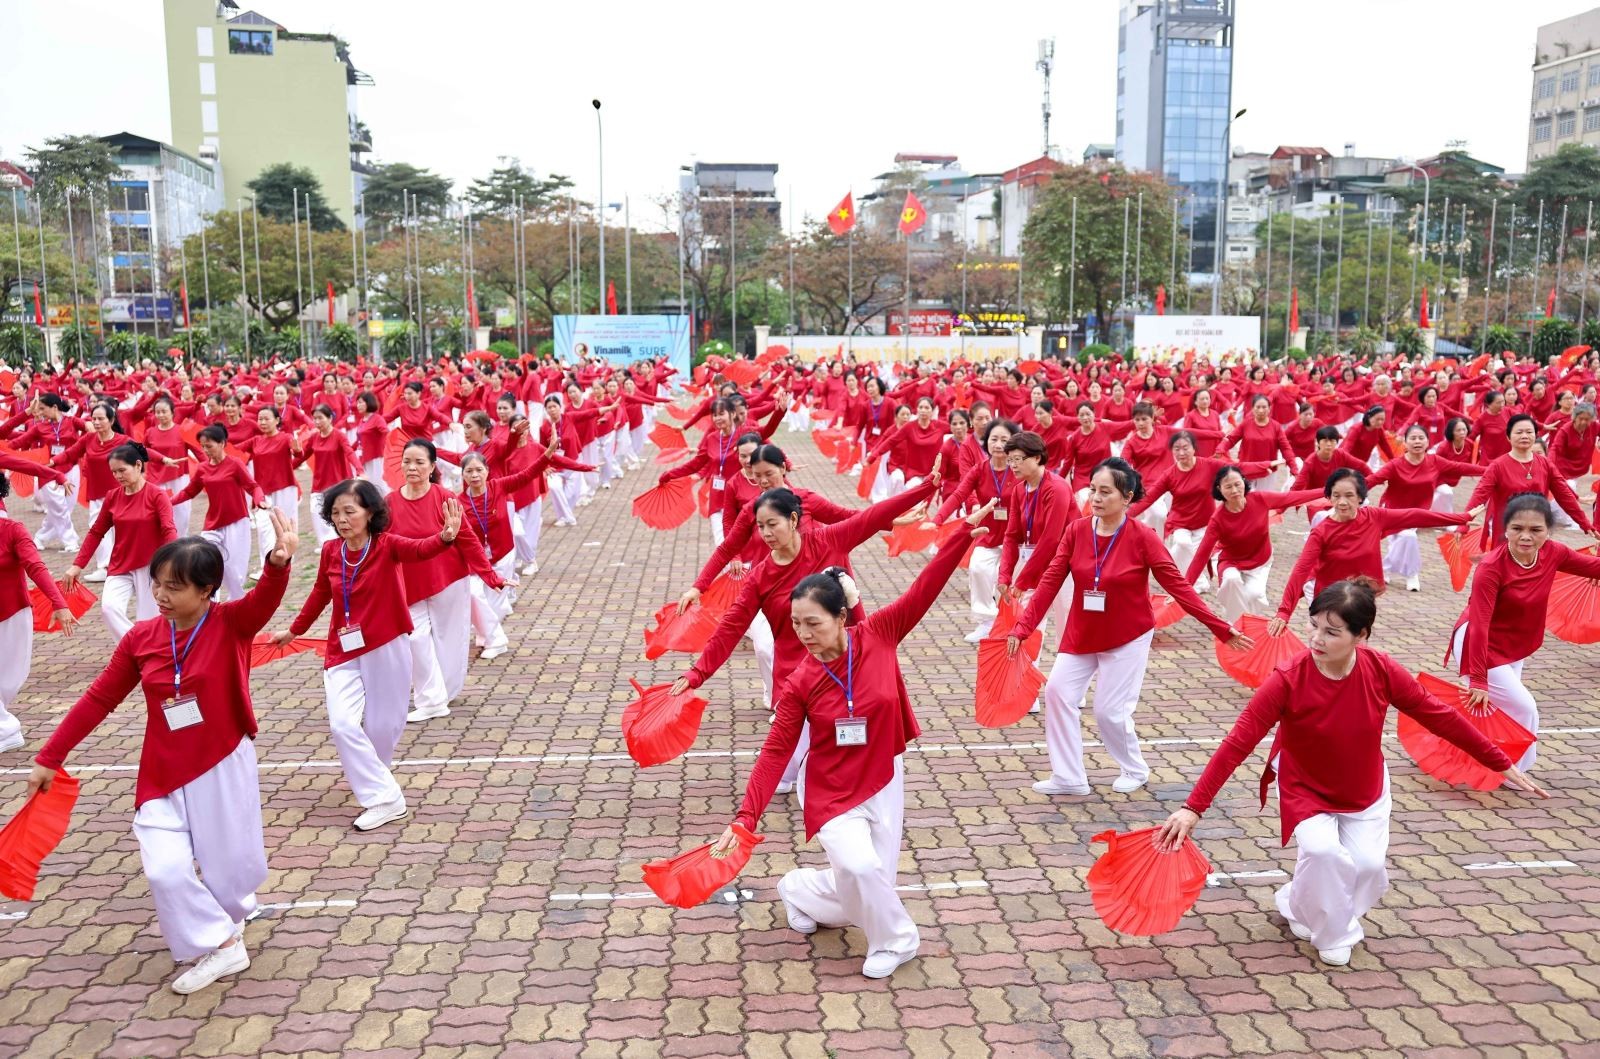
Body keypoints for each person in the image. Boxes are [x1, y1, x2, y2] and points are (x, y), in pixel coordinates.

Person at [1156, 579, 1545, 967]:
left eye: (1331, 631)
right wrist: (1193, 807)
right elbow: (1237, 743)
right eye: (1313, 626)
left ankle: (1296, 903)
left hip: (1364, 786)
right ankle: (1335, 935)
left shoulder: (1381, 669)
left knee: (1368, 867)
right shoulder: (1288, 678)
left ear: (1361, 634)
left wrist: (1498, 760)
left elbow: (1439, 716)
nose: (1316, 638)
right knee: (1324, 853)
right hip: (1304, 786)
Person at [709, 514, 990, 980]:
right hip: (831, 788)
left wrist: (958, 537)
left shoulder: (880, 634)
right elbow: (776, 752)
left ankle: (798, 888)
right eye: (796, 623)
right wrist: (744, 818)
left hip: (883, 776)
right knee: (860, 868)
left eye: (813, 623)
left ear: (842, 616)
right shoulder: (801, 680)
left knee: (874, 878)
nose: (803, 634)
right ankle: (898, 940)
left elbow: (923, 589)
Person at [28, 513, 299, 993]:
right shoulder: (141, 638)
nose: (160, 596)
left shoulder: (231, 622)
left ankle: (229, 916)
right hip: (162, 769)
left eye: (174, 587)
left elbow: (263, 602)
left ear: (207, 589)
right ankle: (222, 944)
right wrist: (51, 755)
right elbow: (99, 698)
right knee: (165, 869)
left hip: (221, 762)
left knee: (229, 870)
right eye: (156, 584)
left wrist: (278, 563)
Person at [672, 477, 943, 794]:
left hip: (845, 666)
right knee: (784, 770)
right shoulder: (761, 576)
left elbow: (871, 516)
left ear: (794, 520)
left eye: (773, 524)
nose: (767, 534)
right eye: (761, 527)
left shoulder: (827, 541)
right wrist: (697, 673)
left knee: (852, 749)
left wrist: (928, 485)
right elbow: (731, 627)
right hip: (797, 678)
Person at [1008, 459, 1249, 796]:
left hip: (1127, 635)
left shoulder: (1143, 537)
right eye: (1093, 489)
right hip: (1083, 631)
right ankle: (1069, 777)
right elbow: (1049, 583)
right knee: (1057, 693)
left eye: (1105, 491)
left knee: (1109, 712)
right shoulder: (1076, 531)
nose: (1095, 497)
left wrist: (1221, 628)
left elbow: (1178, 587)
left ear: (1127, 497)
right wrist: (1022, 628)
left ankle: (1134, 768)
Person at [272, 479, 465, 830]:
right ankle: (385, 798)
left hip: (386, 646)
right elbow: (319, 593)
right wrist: (295, 630)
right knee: (342, 723)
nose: (342, 520)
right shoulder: (331, 551)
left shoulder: (387, 545)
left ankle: (377, 780)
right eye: (335, 513)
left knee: (382, 728)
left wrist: (446, 537)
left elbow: (420, 549)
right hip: (343, 650)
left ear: (370, 512)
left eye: (350, 511)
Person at [1450, 493, 1600, 770]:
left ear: (1548, 531)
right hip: (1479, 644)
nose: (1526, 537)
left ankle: (1459, 747)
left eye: (1536, 530)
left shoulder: (1554, 552)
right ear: (1505, 529)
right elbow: (1480, 624)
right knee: (1525, 708)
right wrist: (1478, 679)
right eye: (1517, 528)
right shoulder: (1491, 567)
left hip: (1515, 643)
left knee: (1503, 711)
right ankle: (1516, 772)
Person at [1271, 469, 1473, 634]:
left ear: (1360, 497)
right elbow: (1301, 570)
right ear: (1329, 498)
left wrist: (1461, 518)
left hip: (1361, 595)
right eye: (1336, 496)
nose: (1342, 502)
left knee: (1357, 641)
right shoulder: (1321, 532)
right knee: (1328, 641)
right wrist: (1284, 612)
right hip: (1328, 596)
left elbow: (1414, 515)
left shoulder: (1374, 517)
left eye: (1349, 496)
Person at [387, 440, 503, 722]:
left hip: (448, 579)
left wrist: (490, 575)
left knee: (449, 639)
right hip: (410, 584)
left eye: (419, 462)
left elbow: (467, 540)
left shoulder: (444, 497)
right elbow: (382, 545)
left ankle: (445, 692)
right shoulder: (389, 503)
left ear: (432, 467)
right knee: (415, 638)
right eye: (407, 461)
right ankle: (432, 700)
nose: (412, 467)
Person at [64, 442, 177, 639]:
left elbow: (169, 529)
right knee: (109, 609)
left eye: (122, 470)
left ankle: (146, 652)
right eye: (114, 472)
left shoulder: (157, 495)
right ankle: (137, 647)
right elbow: (96, 532)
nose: (117, 476)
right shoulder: (113, 497)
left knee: (149, 620)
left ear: (138, 466)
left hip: (152, 567)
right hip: (120, 565)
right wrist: (77, 565)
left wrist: (172, 562)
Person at [0, 473, 77, 752]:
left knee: (7, 681)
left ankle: (6, 729)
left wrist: (60, 604)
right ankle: (6, 728)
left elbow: (37, 568)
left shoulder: (13, 530)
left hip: (12, 615)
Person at [1185, 467, 1321, 623]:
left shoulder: (1260, 499)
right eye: (1228, 487)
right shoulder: (1218, 519)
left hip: (1260, 560)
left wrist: (1328, 490)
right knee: (1231, 580)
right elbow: (1202, 554)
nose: (1234, 490)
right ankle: (1235, 626)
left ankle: (1244, 620)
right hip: (1231, 561)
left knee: (1254, 595)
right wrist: (1184, 587)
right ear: (1219, 489)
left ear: (1244, 481)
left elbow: (1292, 497)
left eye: (1237, 484)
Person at [1367, 424, 1484, 591]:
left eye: (1421, 438)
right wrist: (1351, 491)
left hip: (1417, 512)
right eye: (1412, 438)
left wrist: (1490, 470)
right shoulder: (1395, 465)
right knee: (1406, 538)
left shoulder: (1435, 461)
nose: (1417, 441)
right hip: (1392, 511)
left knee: (1405, 539)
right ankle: (1406, 573)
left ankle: (1387, 571)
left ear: (1428, 442)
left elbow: (1461, 468)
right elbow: (1373, 479)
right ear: (1405, 443)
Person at [931, 418, 1019, 642]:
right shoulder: (979, 470)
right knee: (978, 568)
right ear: (986, 442)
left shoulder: (1019, 470)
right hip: (988, 533)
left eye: (1004, 439)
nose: (998, 444)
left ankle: (1015, 623)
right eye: (993, 439)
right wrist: (937, 520)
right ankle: (986, 622)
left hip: (1015, 536)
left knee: (1014, 580)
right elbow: (959, 494)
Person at [1465, 414, 1596, 548]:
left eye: (1529, 432)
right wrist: (1464, 523)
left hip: (1536, 530)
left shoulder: (1545, 464)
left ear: (1535, 435)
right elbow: (1479, 495)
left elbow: (1564, 495)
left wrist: (1584, 523)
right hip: (1508, 530)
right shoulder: (1498, 466)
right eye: (1519, 432)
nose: (1524, 436)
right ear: (1508, 436)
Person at [173, 425, 266, 602]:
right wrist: (166, 502)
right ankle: (211, 601)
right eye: (203, 446)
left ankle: (236, 603)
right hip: (213, 523)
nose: (206, 450)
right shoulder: (202, 468)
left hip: (237, 522)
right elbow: (189, 492)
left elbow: (253, 486)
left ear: (222, 443)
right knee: (205, 559)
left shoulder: (235, 464)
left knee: (234, 569)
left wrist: (259, 499)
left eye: (210, 445)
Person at [293, 404, 362, 545]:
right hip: (319, 483)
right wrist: (288, 466)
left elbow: (349, 452)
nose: (317, 422)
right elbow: (303, 456)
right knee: (317, 513)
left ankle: (341, 543)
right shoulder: (314, 438)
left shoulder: (339, 436)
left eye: (320, 418)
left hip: (339, 484)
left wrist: (359, 469)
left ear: (330, 418)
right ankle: (327, 546)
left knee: (339, 515)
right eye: (315, 418)